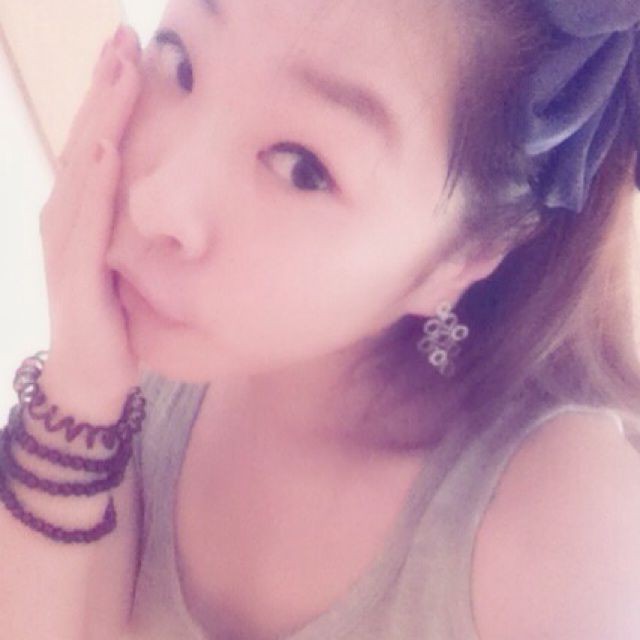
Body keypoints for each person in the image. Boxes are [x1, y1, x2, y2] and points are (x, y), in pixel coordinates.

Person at [1, 0, 640, 638]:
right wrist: (79, 393)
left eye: (301, 167)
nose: (156, 201)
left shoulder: (567, 535)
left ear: (464, 258)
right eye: (183, 63)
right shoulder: (144, 369)